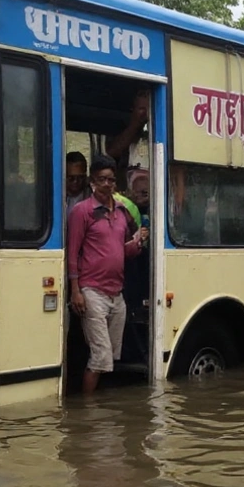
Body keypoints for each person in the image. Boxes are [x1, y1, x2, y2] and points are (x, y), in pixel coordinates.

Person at [67, 155, 149, 394]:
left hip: (117, 294)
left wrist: (139, 242)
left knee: (109, 357)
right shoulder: (82, 212)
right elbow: (73, 253)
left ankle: (97, 409)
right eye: (102, 179)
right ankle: (88, 412)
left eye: (111, 180)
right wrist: (76, 291)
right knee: (101, 357)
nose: (107, 184)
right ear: (92, 181)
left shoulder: (122, 212)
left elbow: (124, 251)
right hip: (91, 291)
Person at [106, 88, 151, 191]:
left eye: (149, 109)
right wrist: (137, 123)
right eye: (142, 109)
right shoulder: (124, 129)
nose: (146, 113)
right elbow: (112, 152)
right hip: (127, 193)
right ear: (132, 109)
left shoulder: (161, 131)